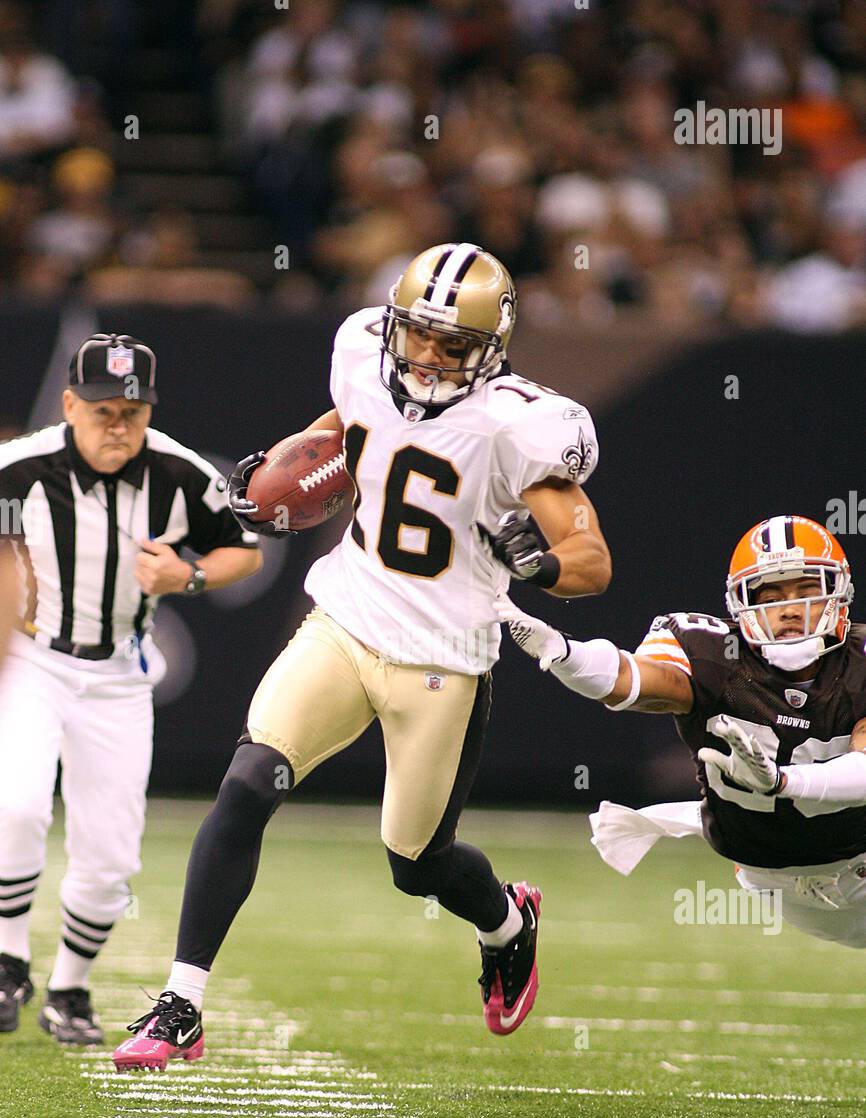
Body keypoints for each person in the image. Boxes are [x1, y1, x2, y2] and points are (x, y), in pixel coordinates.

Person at [113, 241, 612, 1069]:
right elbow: (344, 430)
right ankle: (181, 1004)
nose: (426, 355)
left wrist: (540, 563)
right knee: (246, 785)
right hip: (345, 622)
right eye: (417, 334)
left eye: (451, 345)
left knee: (417, 866)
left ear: (491, 350)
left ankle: (507, 922)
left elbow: (593, 560)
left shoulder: (521, 423)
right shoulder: (360, 352)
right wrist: (285, 470)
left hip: (443, 662)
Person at [0, 333, 262, 1043]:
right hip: (33, 659)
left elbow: (245, 548)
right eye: (101, 409)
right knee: (17, 805)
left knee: (111, 854)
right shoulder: (18, 471)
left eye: (131, 411)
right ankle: (9, 959)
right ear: (68, 404)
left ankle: (70, 991)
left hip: (118, 670)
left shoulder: (177, 472)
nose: (117, 425)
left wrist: (191, 575)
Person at [498, 514, 866, 949]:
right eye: (770, 594)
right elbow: (631, 680)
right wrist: (564, 654)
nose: (789, 608)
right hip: (773, 880)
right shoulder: (708, 652)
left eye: (807, 590)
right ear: (738, 604)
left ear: (839, 594)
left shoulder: (858, 662)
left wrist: (784, 781)